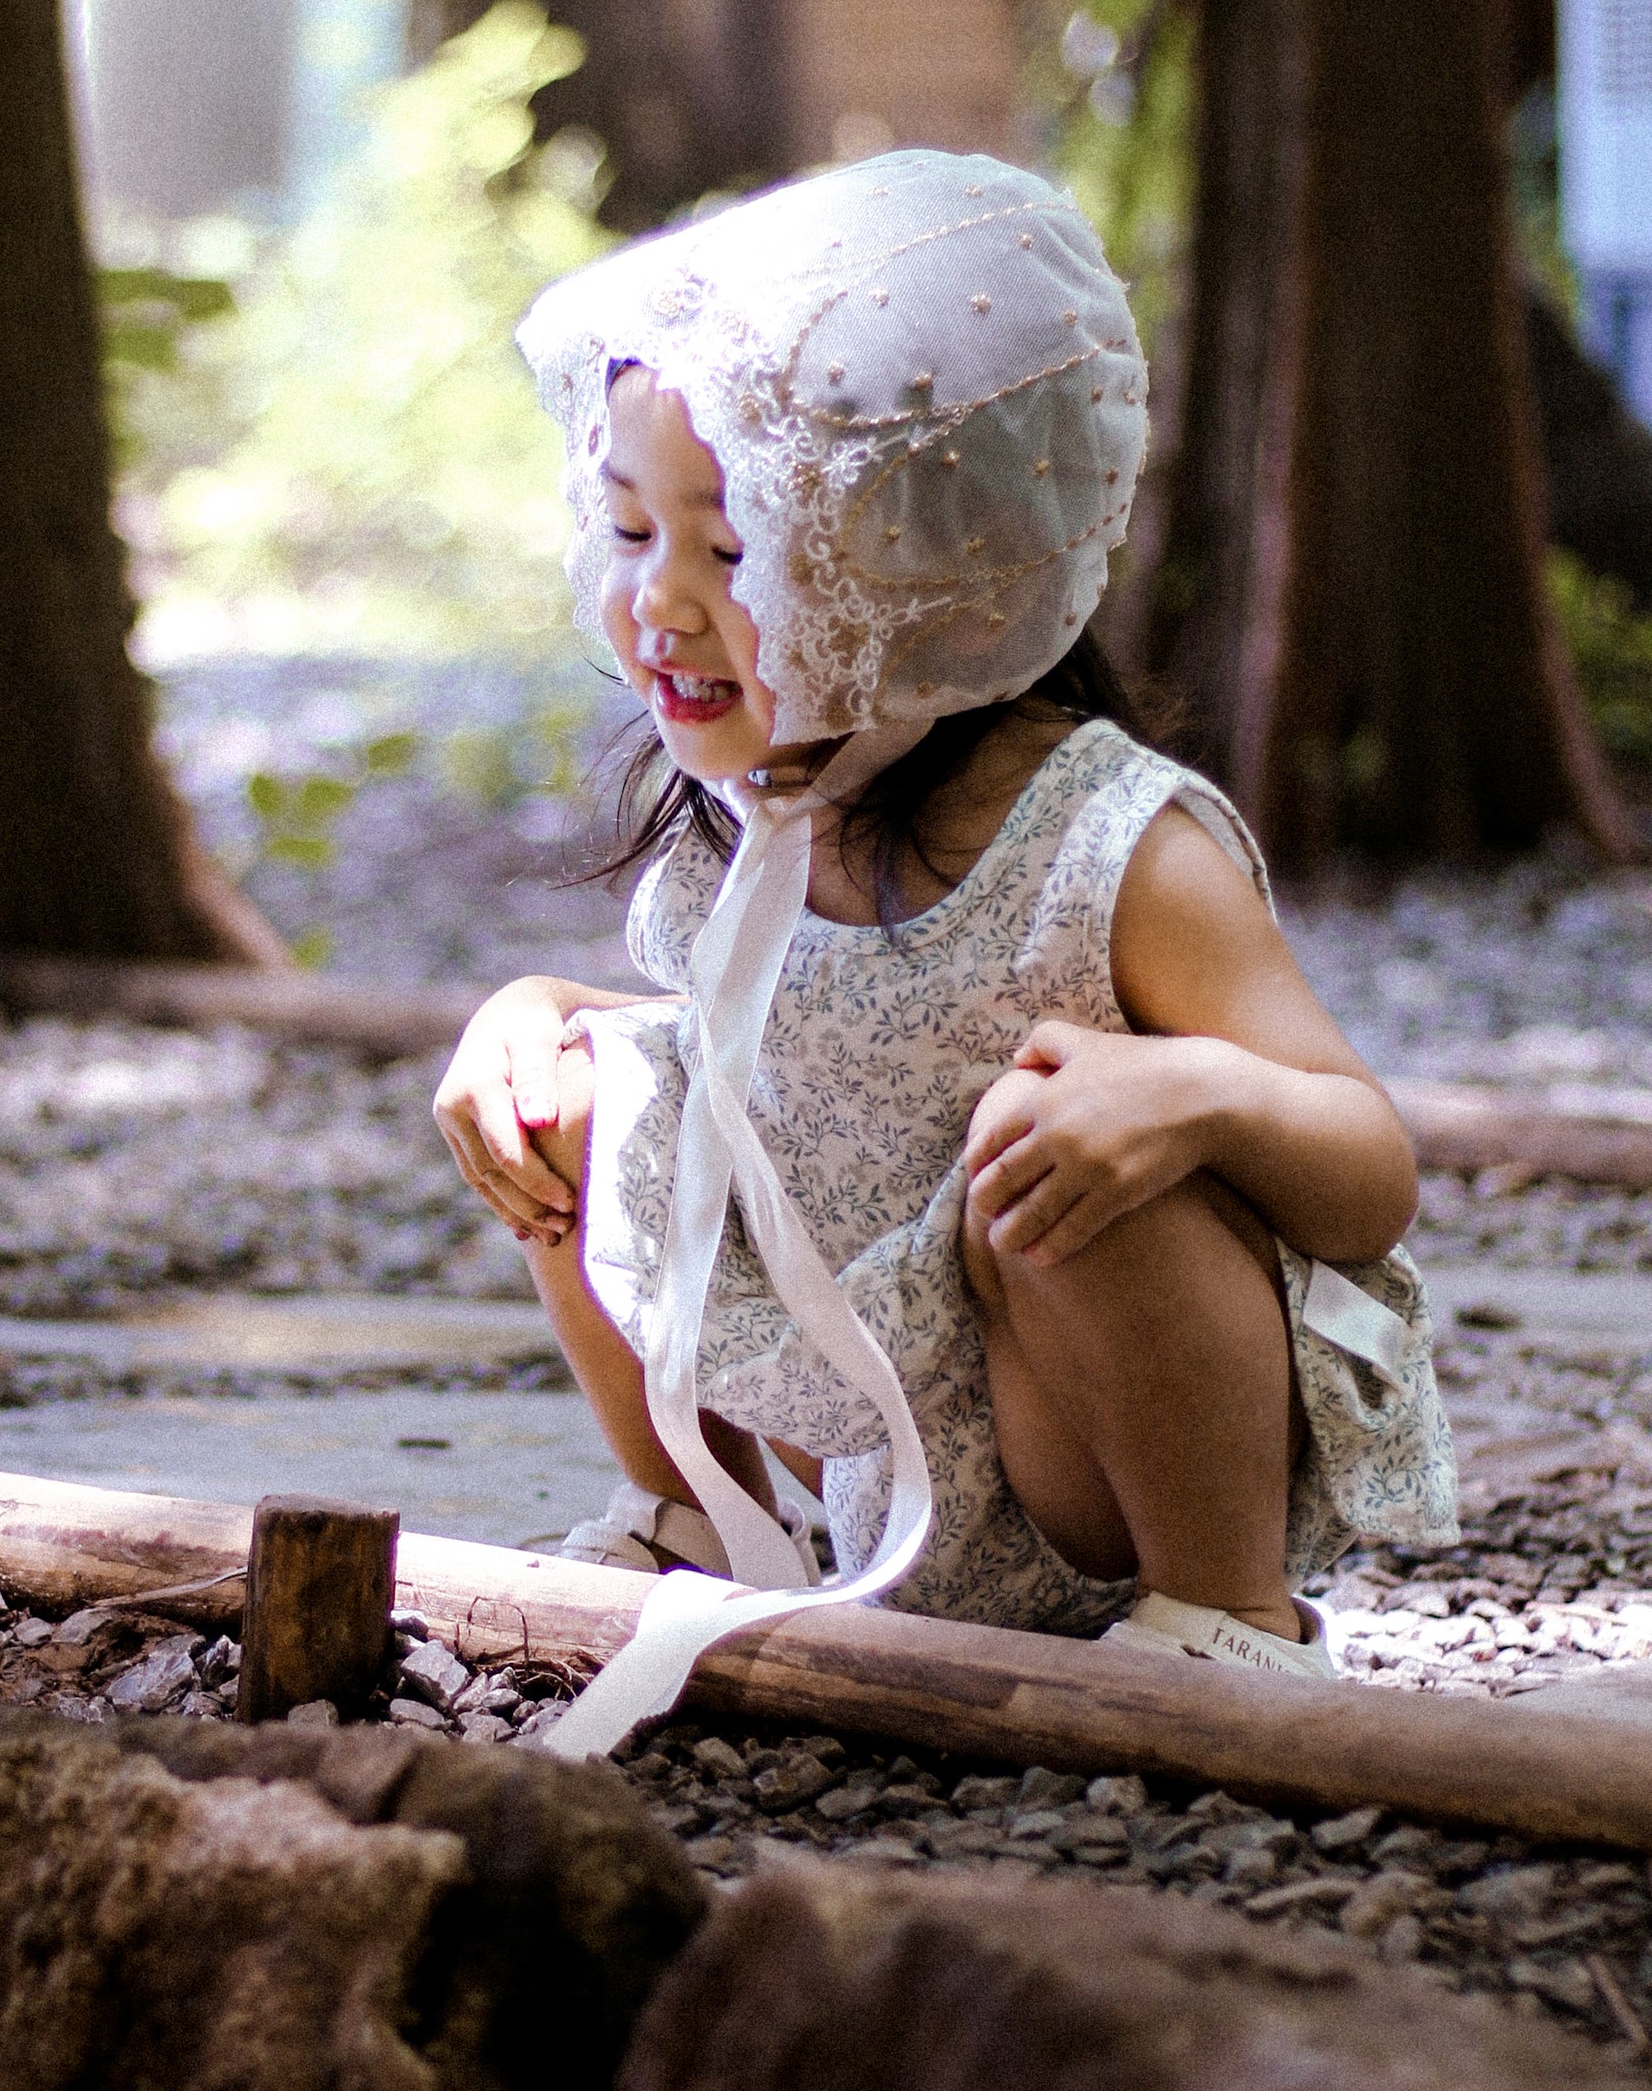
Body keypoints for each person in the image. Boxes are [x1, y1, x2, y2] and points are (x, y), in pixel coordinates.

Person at [436, 151, 1456, 1742]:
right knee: (568, 1075)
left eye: (732, 551)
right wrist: (530, 1013)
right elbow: (738, 1046)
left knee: (1047, 1135)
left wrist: (1188, 1094)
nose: (660, 603)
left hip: (1094, 1451)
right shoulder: (752, 803)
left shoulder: (1111, 845)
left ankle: (1228, 1620)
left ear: (933, 575)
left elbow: (1367, 1168)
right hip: (867, 1429)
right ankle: (705, 1511)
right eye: (630, 530)